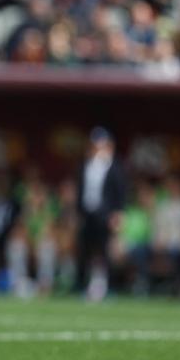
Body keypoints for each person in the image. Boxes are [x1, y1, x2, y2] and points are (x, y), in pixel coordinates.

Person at [75, 127, 126, 301]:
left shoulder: (115, 166)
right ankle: (82, 285)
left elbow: (120, 193)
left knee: (105, 252)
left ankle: (108, 288)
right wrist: (78, 212)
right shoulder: (86, 165)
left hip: (106, 215)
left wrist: (118, 214)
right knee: (85, 250)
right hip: (88, 213)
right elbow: (80, 191)